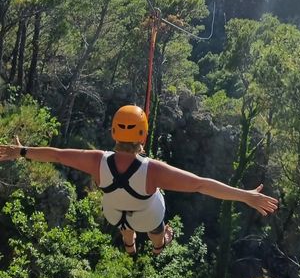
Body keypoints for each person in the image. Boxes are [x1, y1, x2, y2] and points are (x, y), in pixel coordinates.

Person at [0, 104, 279, 256]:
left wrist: (21, 151)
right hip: (147, 218)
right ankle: (159, 245)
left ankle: (129, 246)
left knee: (123, 218)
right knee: (156, 216)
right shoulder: (153, 170)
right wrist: (245, 195)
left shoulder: (97, 160)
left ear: (113, 132)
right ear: (143, 137)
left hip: (112, 213)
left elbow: (58, 155)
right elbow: (200, 184)